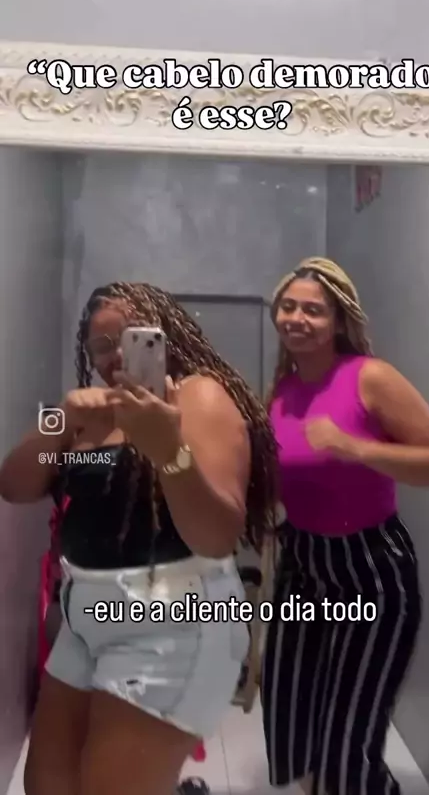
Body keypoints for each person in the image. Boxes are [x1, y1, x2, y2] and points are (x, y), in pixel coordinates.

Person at [0, 282, 278, 795]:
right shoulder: (84, 411)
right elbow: (14, 483)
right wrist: (62, 420)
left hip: (170, 625)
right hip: (84, 621)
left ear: (162, 334)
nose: (112, 356)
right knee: (47, 784)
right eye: (99, 346)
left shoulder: (199, 397)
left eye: (128, 337)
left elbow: (218, 536)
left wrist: (168, 451)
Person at [261, 257, 429, 795]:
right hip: (304, 566)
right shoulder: (282, 389)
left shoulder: (370, 378)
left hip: (371, 570)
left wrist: (357, 448)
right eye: (288, 306)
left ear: (339, 321)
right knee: (291, 723)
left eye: (313, 310)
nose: (297, 318)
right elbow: (288, 475)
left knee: (346, 751)